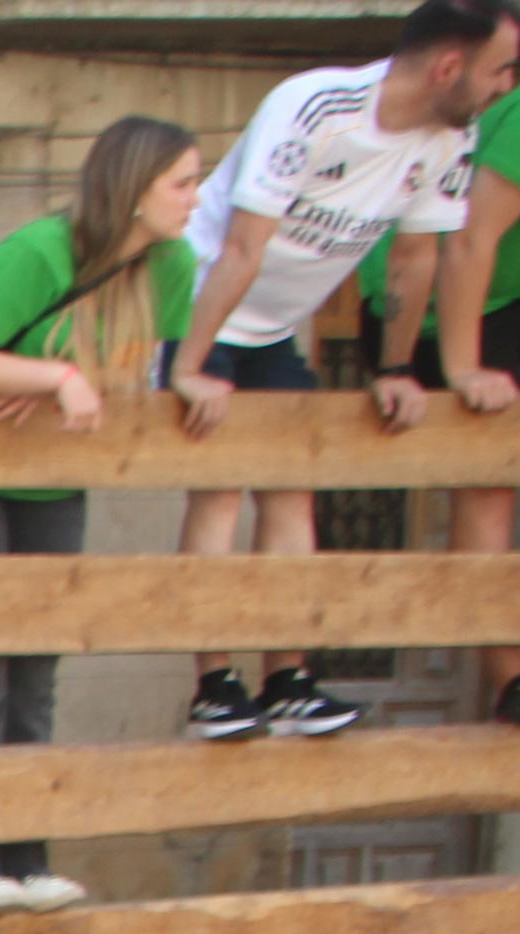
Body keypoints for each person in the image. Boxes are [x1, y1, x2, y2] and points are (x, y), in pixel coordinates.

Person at [172, 0, 519, 742]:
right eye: (500, 70)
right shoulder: (314, 104)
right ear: (448, 65)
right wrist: (192, 364)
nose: (505, 87)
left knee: (294, 493)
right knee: (220, 490)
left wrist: (392, 365)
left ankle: (287, 678)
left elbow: (416, 255)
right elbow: (238, 249)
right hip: (199, 308)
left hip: (270, 328)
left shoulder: (447, 138)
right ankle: (214, 684)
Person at [0, 119, 209, 915]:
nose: (194, 197)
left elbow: (131, 369)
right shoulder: (36, 253)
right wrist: (52, 375)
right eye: (181, 181)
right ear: (133, 187)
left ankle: (23, 855)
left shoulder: (169, 263)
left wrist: (45, 376)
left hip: (48, 476)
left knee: (36, 665)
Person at [356, 75, 520, 722]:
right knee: (485, 479)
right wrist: (464, 366)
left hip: (497, 293)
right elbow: (469, 239)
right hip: (431, 306)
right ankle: (511, 679)